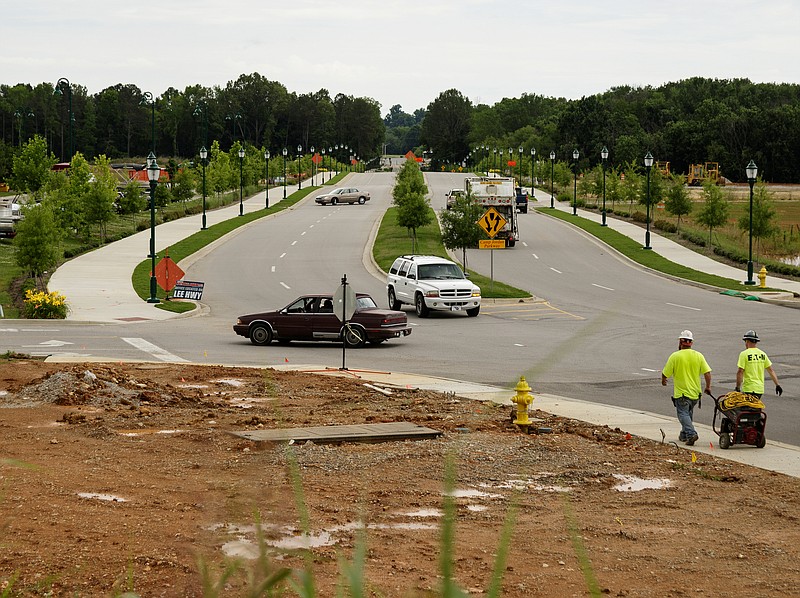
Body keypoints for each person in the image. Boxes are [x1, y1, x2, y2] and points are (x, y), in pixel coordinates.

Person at [661, 330, 712, 446]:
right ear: (691, 343)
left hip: (682, 394)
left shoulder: (675, 356)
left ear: (680, 342)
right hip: (695, 393)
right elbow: (707, 373)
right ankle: (684, 435)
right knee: (688, 414)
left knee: (683, 414)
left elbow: (666, 373)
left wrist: (663, 380)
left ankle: (690, 433)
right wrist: (708, 387)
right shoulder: (698, 356)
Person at [736, 330, 783, 398]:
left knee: (745, 407)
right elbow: (771, 370)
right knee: (756, 407)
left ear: (747, 341)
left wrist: (737, 387)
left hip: (748, 388)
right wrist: (777, 385)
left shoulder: (744, 354)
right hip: (759, 389)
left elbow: (740, 371)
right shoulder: (763, 354)